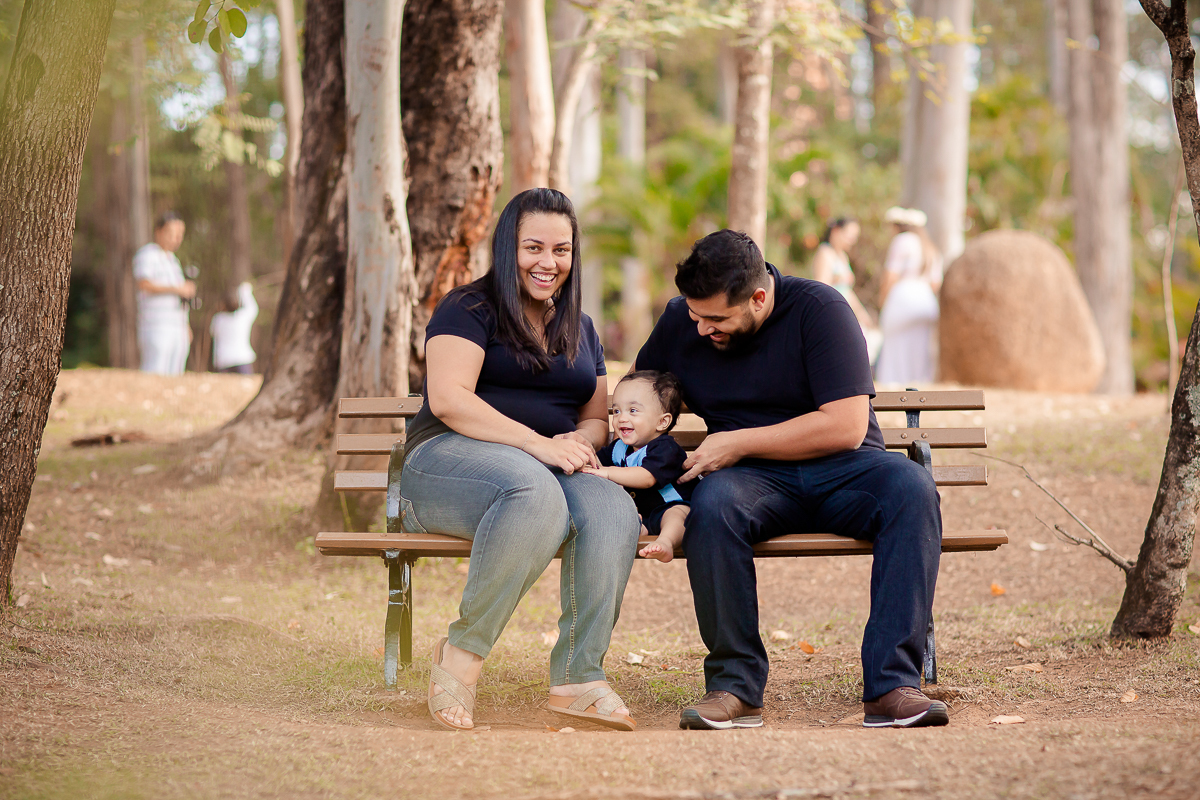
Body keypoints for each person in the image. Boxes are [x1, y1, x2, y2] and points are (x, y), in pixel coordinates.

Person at [636, 229, 947, 731]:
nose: (700, 330)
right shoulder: (683, 320)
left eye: (716, 319)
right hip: (750, 482)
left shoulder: (820, 309)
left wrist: (737, 441)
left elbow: (845, 426)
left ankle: (893, 686)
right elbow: (644, 394)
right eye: (695, 316)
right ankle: (733, 687)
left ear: (759, 298)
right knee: (711, 507)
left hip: (845, 469)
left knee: (912, 489)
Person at [399, 188, 641, 732]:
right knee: (532, 491)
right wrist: (537, 444)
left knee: (611, 509)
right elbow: (449, 399)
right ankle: (460, 655)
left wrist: (577, 444)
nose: (547, 263)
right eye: (534, 248)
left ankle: (579, 677)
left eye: (561, 250)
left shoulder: (579, 326)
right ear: (508, 247)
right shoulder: (469, 307)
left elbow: (596, 418)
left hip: (547, 467)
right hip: (446, 462)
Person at [582, 370, 692, 563]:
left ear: (662, 421)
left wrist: (607, 473)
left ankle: (665, 542)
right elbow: (596, 462)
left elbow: (647, 477)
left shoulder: (665, 448)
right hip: (643, 513)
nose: (622, 418)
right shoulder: (619, 448)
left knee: (678, 515)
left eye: (633, 411)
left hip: (670, 506)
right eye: (616, 411)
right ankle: (637, 528)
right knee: (621, 514)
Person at [875, 207, 943, 385]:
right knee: (919, 349)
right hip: (926, 300)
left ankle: (894, 385)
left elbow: (891, 275)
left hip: (902, 299)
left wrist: (882, 300)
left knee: (895, 348)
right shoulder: (930, 246)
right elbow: (935, 283)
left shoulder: (902, 241)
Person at [134, 212, 195, 375]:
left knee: (176, 371)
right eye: (172, 234)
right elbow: (144, 283)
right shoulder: (148, 254)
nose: (176, 238)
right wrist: (177, 288)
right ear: (159, 231)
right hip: (157, 323)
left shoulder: (174, 260)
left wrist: (186, 325)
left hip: (177, 324)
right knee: (156, 368)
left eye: (179, 235)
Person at [210, 282, 258, 374]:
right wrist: (245, 292)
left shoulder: (218, 319)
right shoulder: (243, 317)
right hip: (242, 359)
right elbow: (253, 307)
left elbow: (213, 333)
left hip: (223, 360)